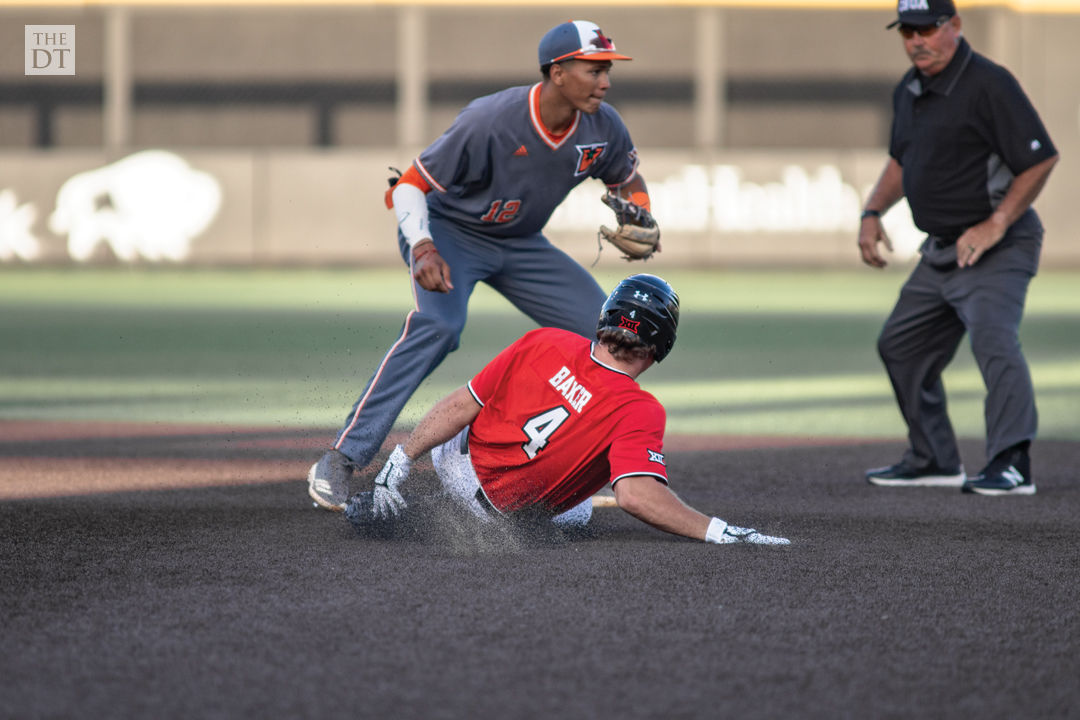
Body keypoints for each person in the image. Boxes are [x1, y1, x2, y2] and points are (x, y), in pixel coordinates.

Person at [308, 20, 661, 511]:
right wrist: (424, 247)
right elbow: (410, 184)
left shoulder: (604, 125)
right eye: (594, 68)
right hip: (451, 233)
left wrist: (640, 211)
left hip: (521, 243)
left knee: (612, 334)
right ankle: (344, 457)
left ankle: (566, 461)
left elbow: (626, 177)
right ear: (558, 72)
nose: (605, 80)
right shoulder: (491, 119)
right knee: (438, 324)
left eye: (607, 70)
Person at [345, 274, 790, 546]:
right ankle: (450, 514)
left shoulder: (545, 340)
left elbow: (463, 404)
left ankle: (417, 503)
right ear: (661, 347)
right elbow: (634, 496)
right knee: (582, 510)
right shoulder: (641, 410)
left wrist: (402, 457)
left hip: (457, 468)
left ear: (605, 319)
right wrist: (718, 530)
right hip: (512, 516)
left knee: (483, 399)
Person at [858, 0, 1058, 496]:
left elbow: (1040, 159)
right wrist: (871, 212)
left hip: (996, 245)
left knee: (994, 339)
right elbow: (902, 162)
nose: (916, 40)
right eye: (907, 30)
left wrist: (996, 223)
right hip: (942, 251)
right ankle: (933, 459)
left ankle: (1012, 463)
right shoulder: (910, 88)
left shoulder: (989, 82)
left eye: (927, 28)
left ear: (955, 25)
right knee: (900, 346)